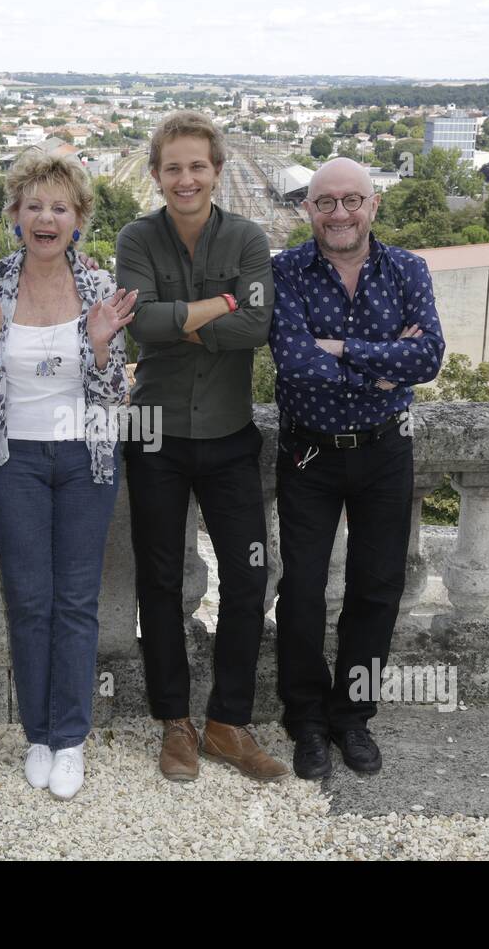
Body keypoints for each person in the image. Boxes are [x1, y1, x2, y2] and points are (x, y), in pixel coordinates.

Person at [115, 111, 289, 784]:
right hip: (153, 435)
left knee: (249, 577)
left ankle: (227, 723)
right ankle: (174, 724)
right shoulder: (138, 237)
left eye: (197, 166)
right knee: (159, 582)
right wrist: (218, 306)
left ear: (216, 170)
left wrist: (179, 319)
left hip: (228, 436)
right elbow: (137, 329)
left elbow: (257, 327)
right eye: (172, 167)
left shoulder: (247, 237)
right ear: (156, 175)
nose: (185, 178)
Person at [0, 151, 136, 800]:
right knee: (29, 602)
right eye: (33, 205)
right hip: (13, 462)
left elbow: (114, 392)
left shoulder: (98, 287)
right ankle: (38, 734)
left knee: (76, 602)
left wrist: (101, 344)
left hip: (86, 459)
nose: (45, 217)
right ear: (15, 215)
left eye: (59, 206)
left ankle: (71, 738)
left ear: (78, 219)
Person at [269, 157, 445, 781]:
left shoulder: (408, 269)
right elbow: (293, 361)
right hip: (309, 451)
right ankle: (307, 719)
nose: (338, 213)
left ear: (373, 206)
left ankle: (353, 716)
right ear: (308, 209)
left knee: (376, 588)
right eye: (325, 202)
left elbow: (428, 356)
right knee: (303, 591)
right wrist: (380, 363)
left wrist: (342, 348)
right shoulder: (284, 271)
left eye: (352, 200)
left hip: (384, 450)